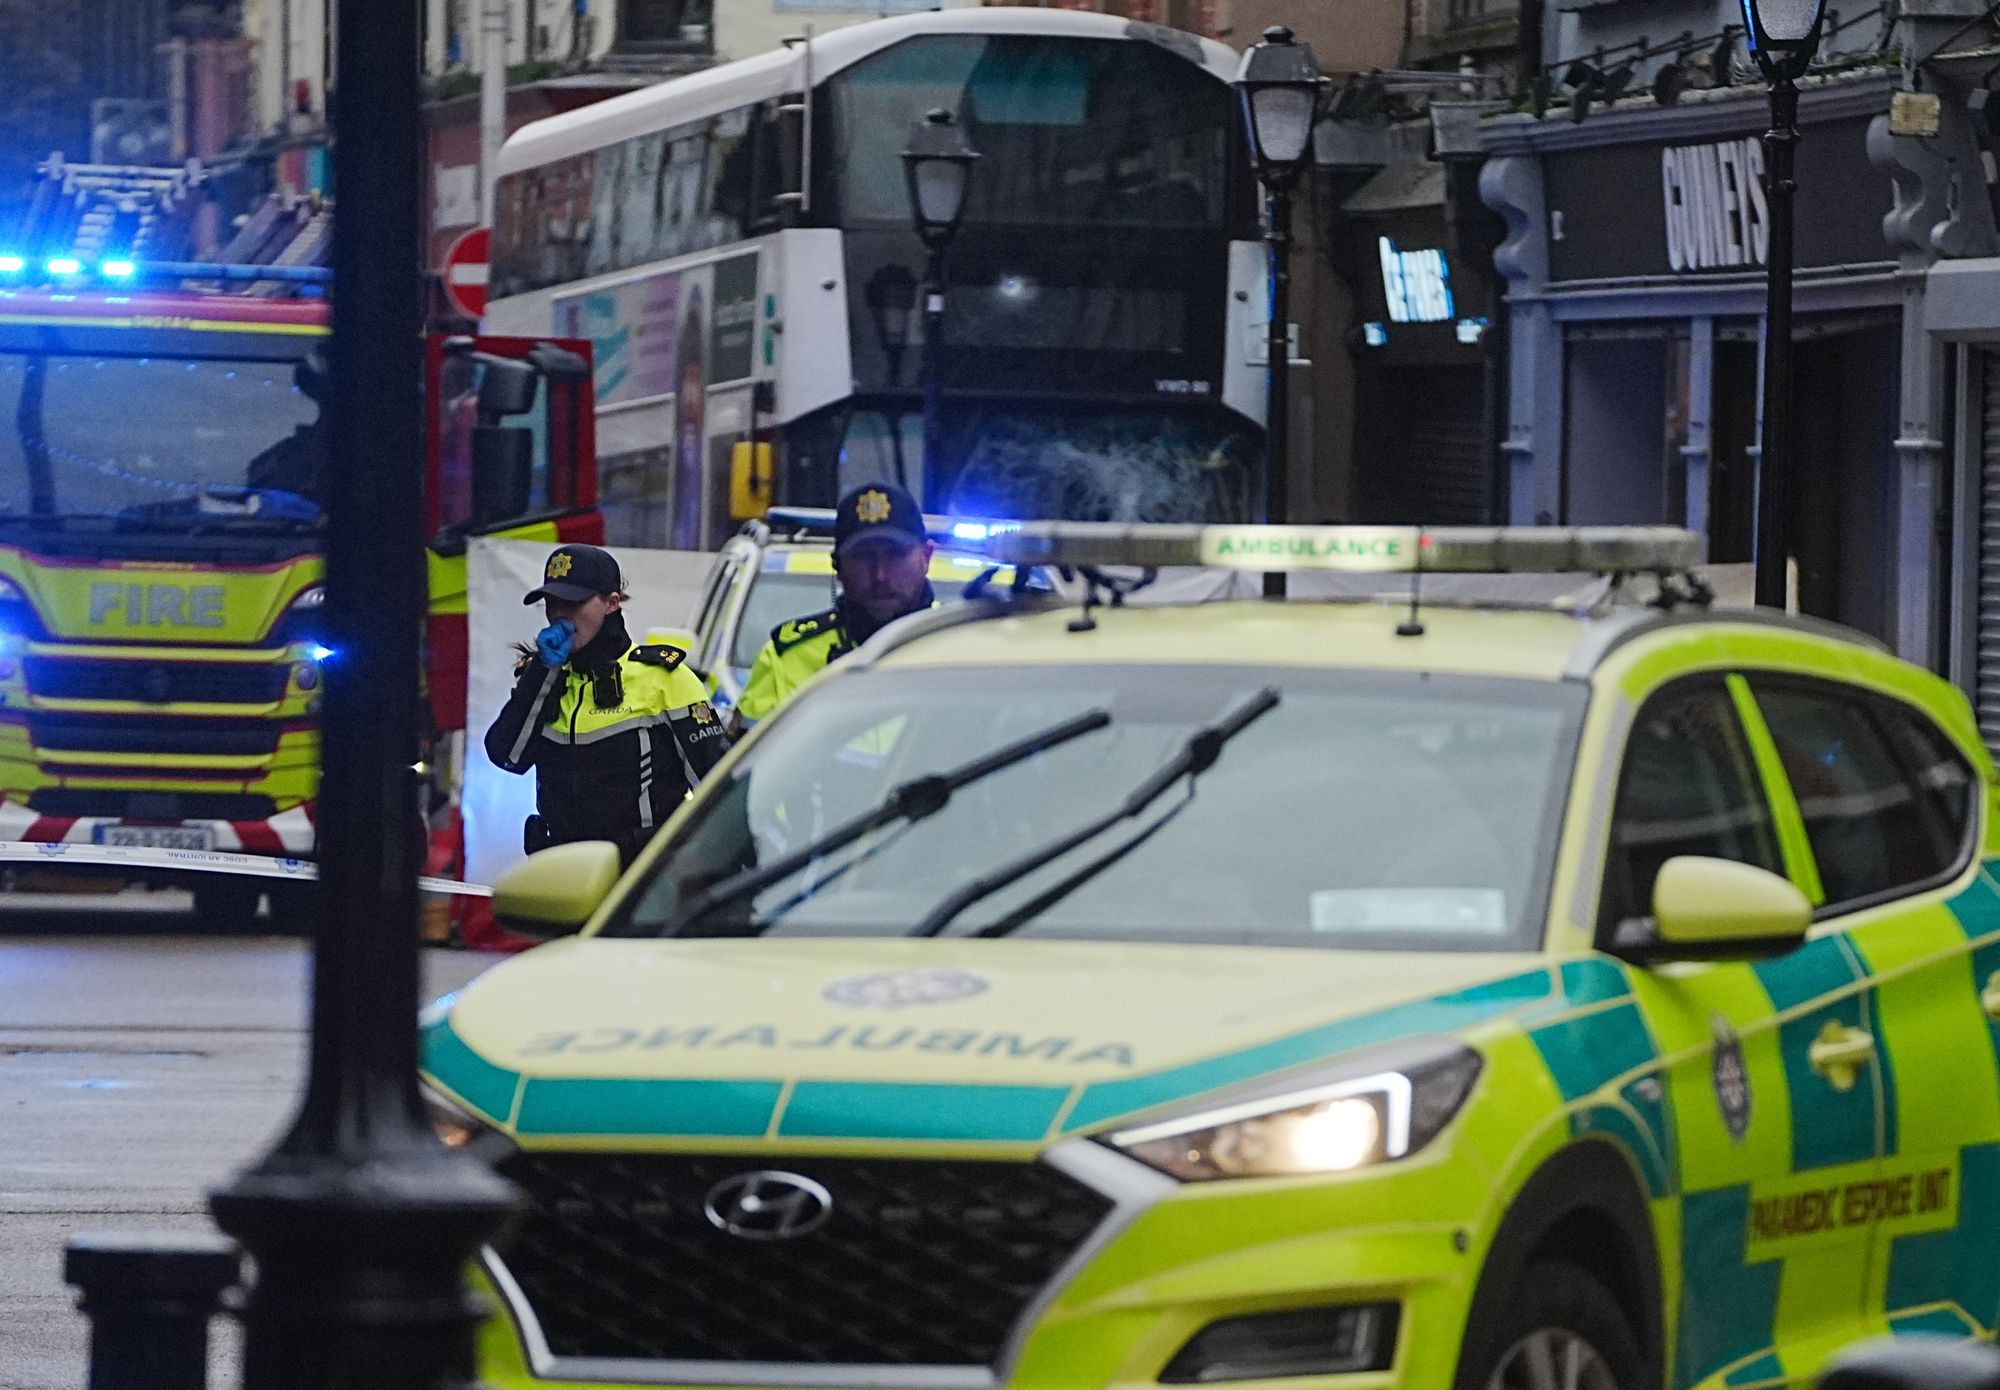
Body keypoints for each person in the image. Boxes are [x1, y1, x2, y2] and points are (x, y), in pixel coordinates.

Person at [485, 543, 729, 862]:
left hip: (636, 877)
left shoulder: (663, 678)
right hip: (558, 869)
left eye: (573, 603)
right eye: (552, 603)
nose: (559, 615)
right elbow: (508, 757)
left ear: (611, 603)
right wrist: (544, 672)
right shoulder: (544, 677)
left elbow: (718, 790)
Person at [735, 481, 936, 729]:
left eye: (894, 554)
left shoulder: (963, 646)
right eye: (863, 557)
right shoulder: (785, 660)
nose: (880, 574)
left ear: (926, 557)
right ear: (837, 566)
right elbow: (750, 763)